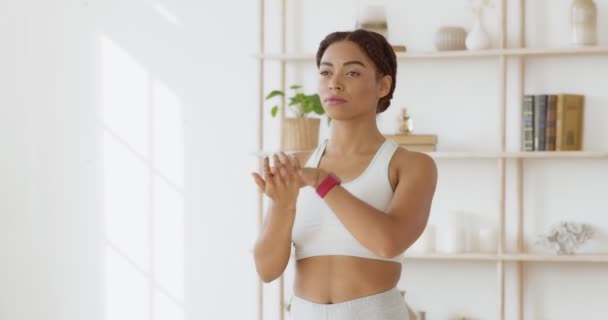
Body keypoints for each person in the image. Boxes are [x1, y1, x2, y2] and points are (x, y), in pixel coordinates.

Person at [251, 29, 438, 320]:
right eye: (326, 73)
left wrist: (323, 183)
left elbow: (388, 243)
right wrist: (283, 205)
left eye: (352, 73)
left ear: (383, 86)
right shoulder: (297, 167)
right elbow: (267, 269)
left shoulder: (411, 165)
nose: (334, 84)